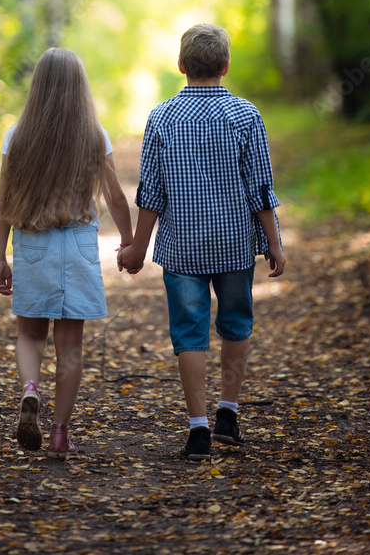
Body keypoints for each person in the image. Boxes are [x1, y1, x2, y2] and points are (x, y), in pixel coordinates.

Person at [118, 24, 285, 461]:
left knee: (189, 333)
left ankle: (198, 427)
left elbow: (150, 192)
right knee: (236, 323)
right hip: (234, 245)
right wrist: (275, 244)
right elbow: (260, 189)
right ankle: (228, 412)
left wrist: (136, 247)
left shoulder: (162, 118)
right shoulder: (246, 115)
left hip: (183, 248)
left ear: (180, 66)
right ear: (226, 66)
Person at [0, 48, 133, 457]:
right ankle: (58, 434)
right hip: (78, 246)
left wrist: (0, 257)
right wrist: (128, 242)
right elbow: (116, 198)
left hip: (32, 243)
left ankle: (30, 388)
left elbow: (3, 203)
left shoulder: (17, 136)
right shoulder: (94, 136)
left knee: (29, 333)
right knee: (70, 346)